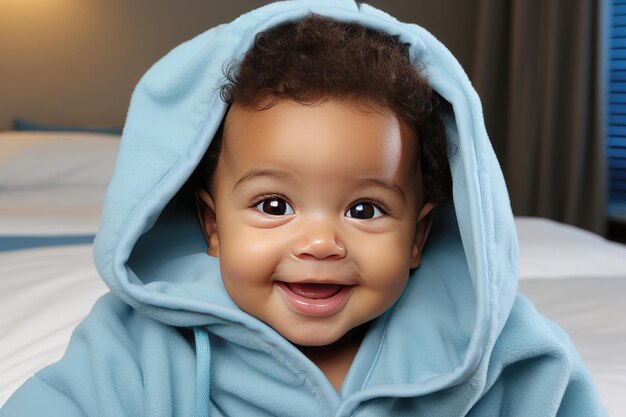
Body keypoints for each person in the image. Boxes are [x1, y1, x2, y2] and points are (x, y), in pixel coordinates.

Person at [1, 1, 607, 416]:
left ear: (418, 238)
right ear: (213, 226)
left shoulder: (502, 355)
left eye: (365, 210)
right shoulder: (138, 349)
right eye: (274, 204)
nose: (320, 243)